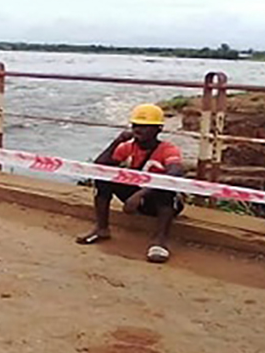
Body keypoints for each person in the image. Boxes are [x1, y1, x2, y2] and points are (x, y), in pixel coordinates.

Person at [76, 103, 185, 263]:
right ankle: (101, 228)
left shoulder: (167, 149)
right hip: (137, 195)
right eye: (136, 126)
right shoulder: (128, 147)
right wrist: (117, 141)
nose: (138, 130)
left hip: (160, 201)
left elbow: (176, 171)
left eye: (145, 127)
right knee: (104, 178)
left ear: (158, 129)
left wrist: (141, 194)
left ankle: (160, 241)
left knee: (165, 187)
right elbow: (100, 166)